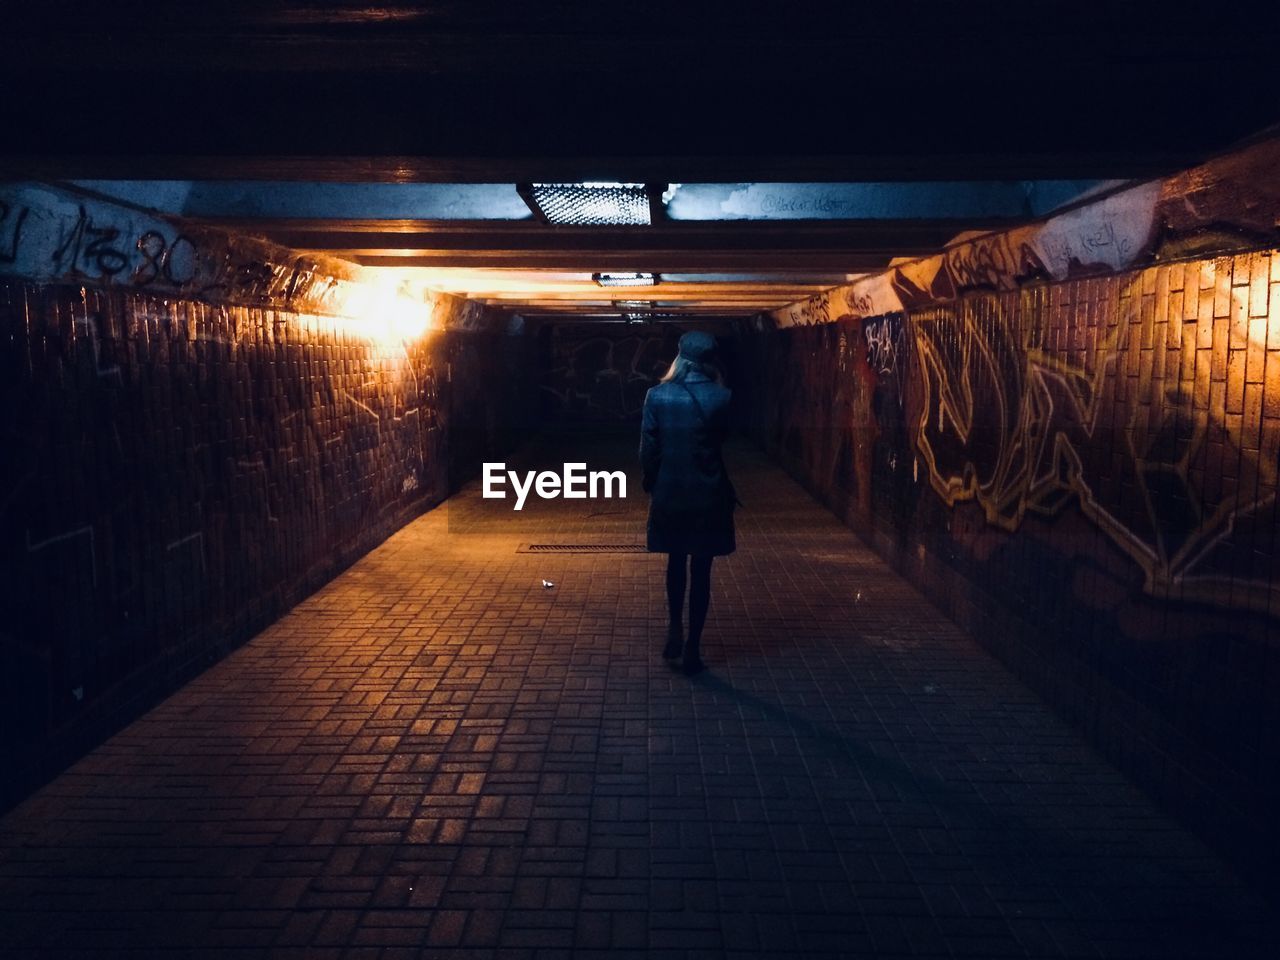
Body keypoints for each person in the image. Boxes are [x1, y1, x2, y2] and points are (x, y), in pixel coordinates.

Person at [639, 330, 738, 675]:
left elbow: (648, 450)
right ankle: (694, 645)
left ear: (679, 357)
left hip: (671, 490)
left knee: (675, 562)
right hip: (708, 493)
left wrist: (652, 483)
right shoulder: (722, 397)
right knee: (702, 571)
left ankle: (674, 630)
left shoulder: (657, 395)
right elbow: (721, 439)